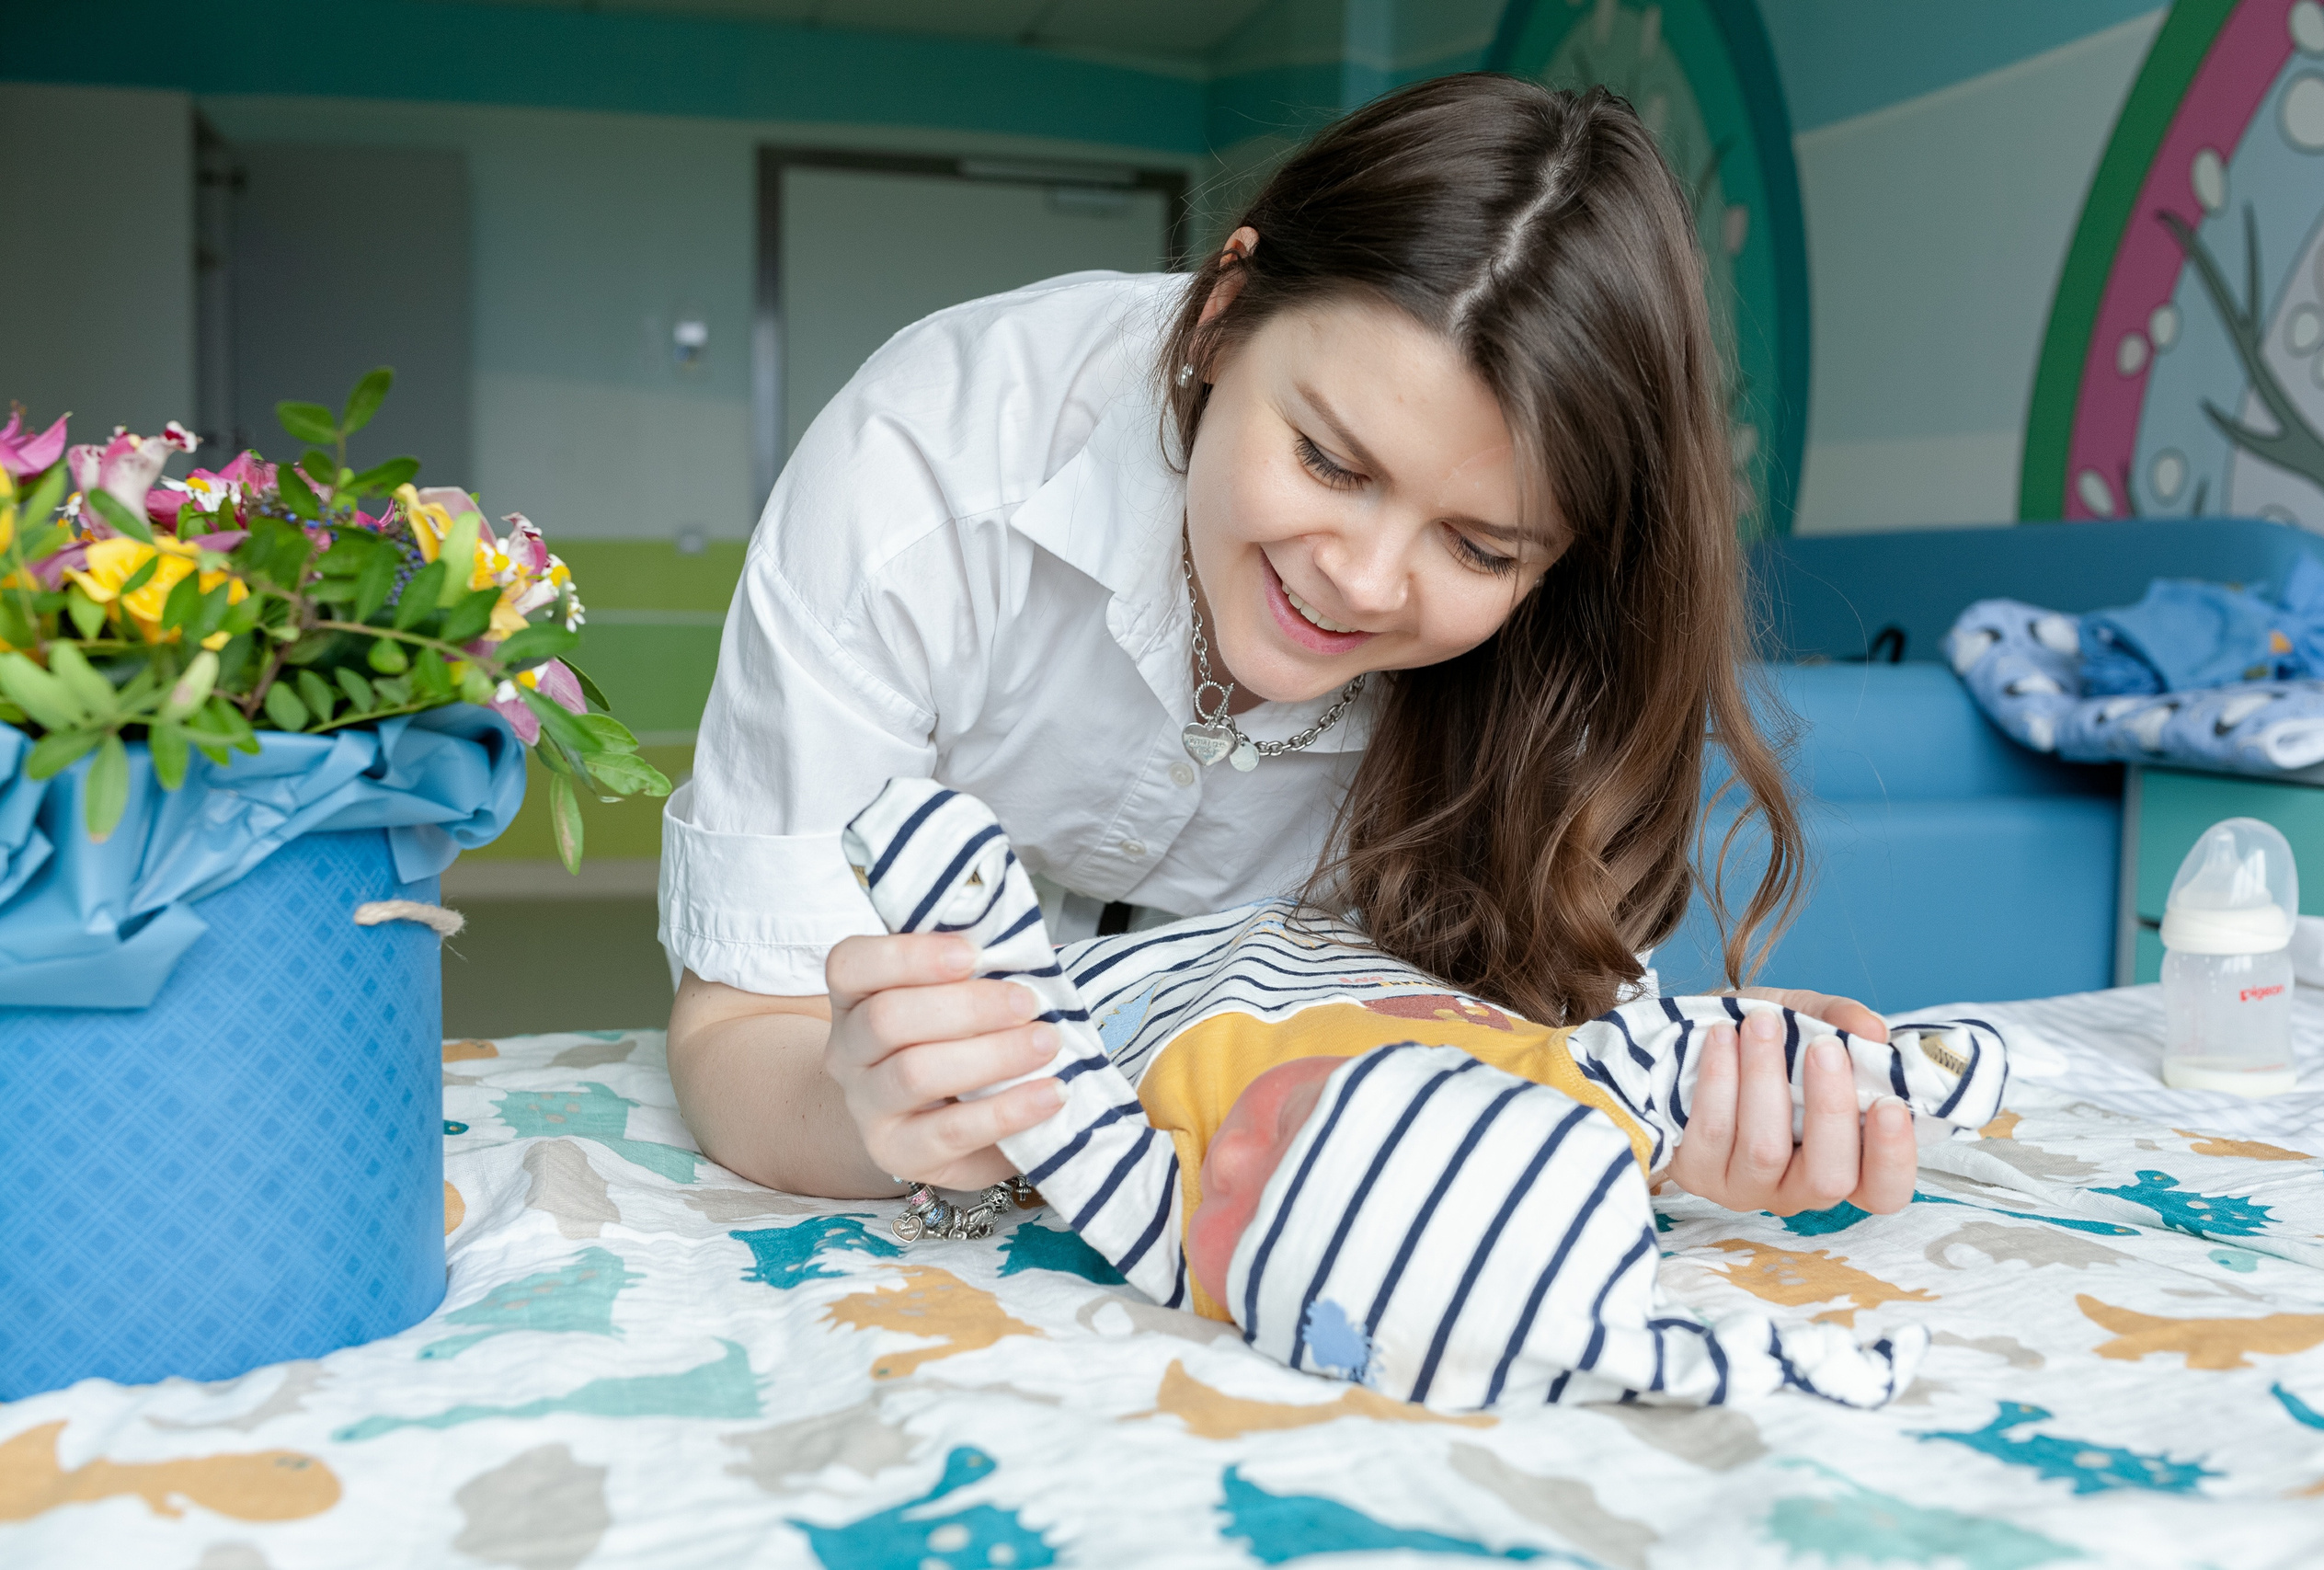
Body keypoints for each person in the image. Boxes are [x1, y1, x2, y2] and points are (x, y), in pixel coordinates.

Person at [661, 74, 1920, 1220]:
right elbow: (739, 1030)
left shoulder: (1566, 648)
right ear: (1220, 315)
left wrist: (1682, 1105)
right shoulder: (923, 471)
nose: (1362, 583)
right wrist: (889, 1119)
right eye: (1328, 459)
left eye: (1483, 548)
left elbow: (1539, 1045)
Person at [838, 777, 2007, 1411]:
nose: (1229, 1167)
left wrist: (971, 907)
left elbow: (1044, 1074)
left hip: (1138, 976)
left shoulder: (1176, 1229)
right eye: (1298, 1137)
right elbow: (1675, 1056)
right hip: (1382, 946)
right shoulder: (1566, 1095)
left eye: (1247, 1234)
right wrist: (1884, 1075)